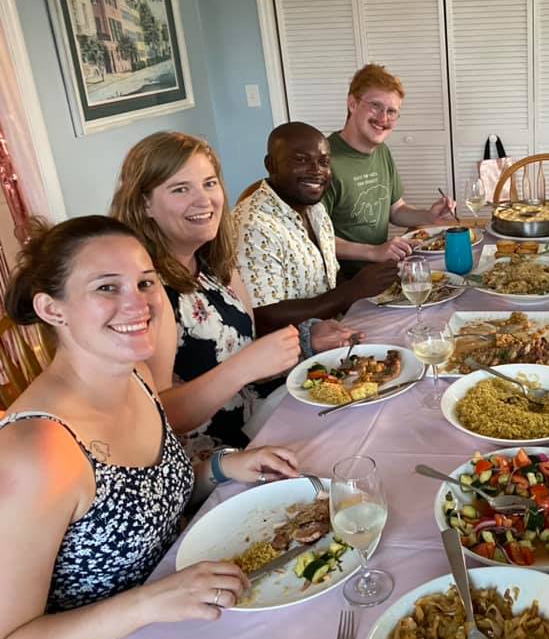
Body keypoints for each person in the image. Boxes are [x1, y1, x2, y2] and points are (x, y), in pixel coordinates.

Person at [0, 216, 300, 639]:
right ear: (52, 309)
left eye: (145, 283)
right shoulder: (36, 451)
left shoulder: (136, 376)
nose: (139, 304)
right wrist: (151, 601)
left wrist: (221, 467)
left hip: (195, 605)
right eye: (107, 287)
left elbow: (148, 502)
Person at [111, 132, 360, 460]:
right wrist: (243, 367)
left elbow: (249, 351)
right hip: (213, 462)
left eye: (209, 183)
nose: (204, 201)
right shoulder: (142, 292)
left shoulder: (215, 265)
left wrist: (307, 338)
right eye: (181, 189)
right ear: (144, 203)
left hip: (260, 421)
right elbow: (158, 416)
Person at [234, 122, 398, 343]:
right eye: (301, 160)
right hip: (289, 357)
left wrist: (375, 289)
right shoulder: (254, 226)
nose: (316, 171)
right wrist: (352, 290)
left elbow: (331, 276)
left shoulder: (315, 209)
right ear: (271, 164)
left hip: (336, 331)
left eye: (324, 162)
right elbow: (264, 317)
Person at [322, 63, 457, 277]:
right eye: (375, 106)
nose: (383, 119)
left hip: (380, 271)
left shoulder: (381, 151)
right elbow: (315, 239)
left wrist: (428, 215)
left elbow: (395, 210)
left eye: (392, 111)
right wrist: (374, 251)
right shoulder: (323, 162)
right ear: (352, 104)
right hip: (345, 283)